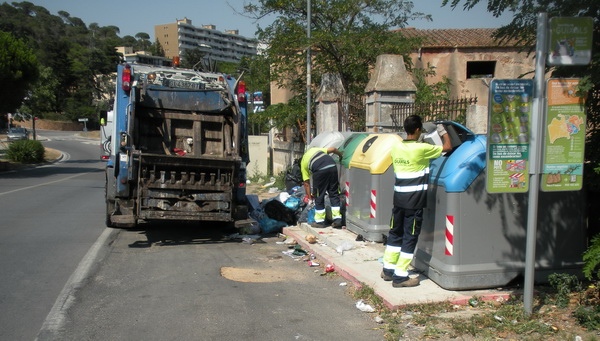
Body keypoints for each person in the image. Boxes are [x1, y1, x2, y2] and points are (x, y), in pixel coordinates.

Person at [381, 115, 452, 288]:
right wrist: (443, 131)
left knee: (395, 234)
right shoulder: (422, 148)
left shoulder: (396, 148)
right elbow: (448, 147)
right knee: (410, 237)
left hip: (398, 200)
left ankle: (388, 270)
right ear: (418, 130)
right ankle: (401, 276)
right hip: (414, 202)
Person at [300, 147, 344, 228]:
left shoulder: (303, 163)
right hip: (332, 166)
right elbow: (333, 149)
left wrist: (310, 198)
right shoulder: (315, 150)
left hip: (320, 170)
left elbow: (306, 183)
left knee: (319, 195)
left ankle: (320, 222)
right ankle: (337, 220)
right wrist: (341, 155)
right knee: (334, 193)